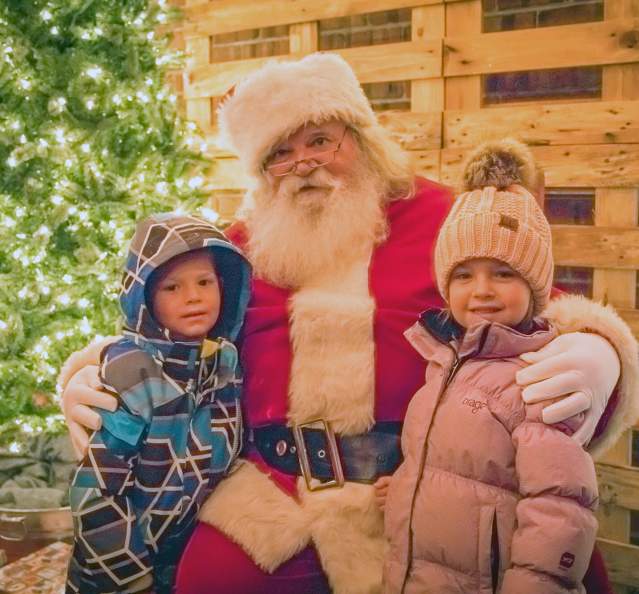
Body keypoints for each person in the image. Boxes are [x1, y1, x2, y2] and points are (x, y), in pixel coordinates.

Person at [57, 54, 639, 594]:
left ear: (359, 138)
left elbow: (537, 298)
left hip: (420, 488)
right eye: (280, 154)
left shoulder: (445, 217)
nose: (303, 163)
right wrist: (93, 372)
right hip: (273, 494)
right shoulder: (236, 251)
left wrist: (599, 348)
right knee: (207, 580)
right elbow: (164, 324)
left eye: (320, 140)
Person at [382, 139, 621, 593]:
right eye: (464, 275)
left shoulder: (537, 375)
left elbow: (559, 509)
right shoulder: (442, 362)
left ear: (534, 286)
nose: (482, 291)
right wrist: (404, 487)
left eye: (504, 273)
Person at [65, 214, 250, 594]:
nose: (194, 297)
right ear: (145, 298)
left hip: (186, 560)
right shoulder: (132, 371)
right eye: (172, 287)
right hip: (117, 570)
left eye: (205, 282)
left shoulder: (225, 364)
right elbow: (95, 492)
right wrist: (132, 579)